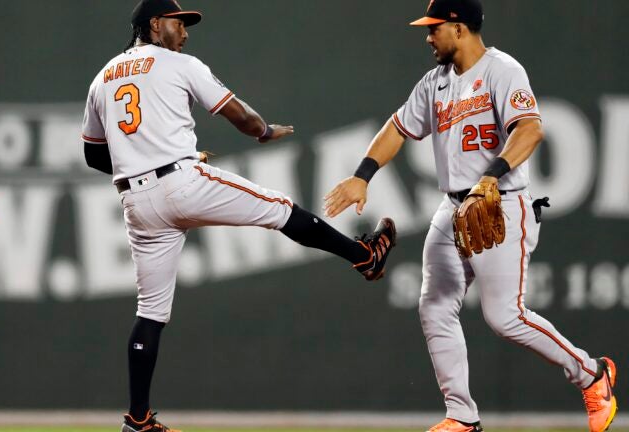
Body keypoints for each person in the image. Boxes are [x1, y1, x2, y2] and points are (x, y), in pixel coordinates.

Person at [81, 0, 397, 430]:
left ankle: (137, 421)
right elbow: (240, 116)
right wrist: (264, 132)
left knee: (150, 312)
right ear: (155, 25)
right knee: (280, 210)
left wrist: (142, 164)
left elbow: (93, 154)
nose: (185, 32)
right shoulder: (179, 64)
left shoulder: (102, 77)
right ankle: (365, 256)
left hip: (136, 201)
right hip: (181, 182)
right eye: (178, 22)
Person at [323, 0, 617, 431]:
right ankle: (462, 416)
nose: (428, 36)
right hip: (453, 207)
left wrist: (491, 177)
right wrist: (362, 175)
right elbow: (398, 127)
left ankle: (592, 374)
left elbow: (530, 128)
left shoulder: (503, 71)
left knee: (505, 317)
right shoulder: (434, 82)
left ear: (458, 27)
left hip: (502, 204)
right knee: (435, 305)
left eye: (434, 27)